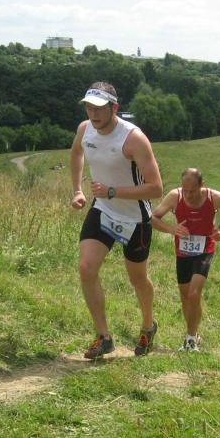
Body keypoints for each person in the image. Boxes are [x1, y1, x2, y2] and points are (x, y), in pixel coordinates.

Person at [70, 82, 163, 359]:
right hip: (103, 209)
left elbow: (156, 188)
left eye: (99, 109)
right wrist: (77, 190)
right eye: (89, 108)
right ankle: (104, 337)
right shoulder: (85, 129)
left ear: (114, 108)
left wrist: (113, 191)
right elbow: (76, 153)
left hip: (135, 218)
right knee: (86, 268)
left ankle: (148, 325)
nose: (93, 114)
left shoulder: (133, 139)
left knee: (138, 279)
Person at [151, 168, 220, 351]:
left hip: (205, 249)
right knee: (185, 296)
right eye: (185, 190)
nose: (188, 195)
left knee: (194, 294)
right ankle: (194, 334)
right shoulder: (175, 196)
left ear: (202, 185)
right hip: (183, 252)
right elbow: (154, 218)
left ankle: (190, 339)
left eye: (192, 190)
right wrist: (172, 229)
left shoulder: (214, 197)